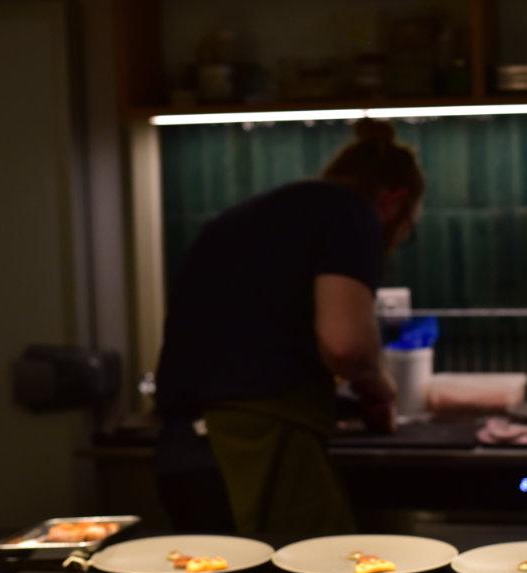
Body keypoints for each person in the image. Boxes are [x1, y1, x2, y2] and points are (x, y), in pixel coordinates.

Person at [154, 119, 423, 541]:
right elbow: (345, 345)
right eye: (405, 229)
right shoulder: (351, 213)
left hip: (181, 449)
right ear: (394, 200)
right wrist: (381, 388)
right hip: (256, 440)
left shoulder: (254, 216)